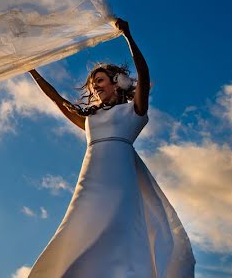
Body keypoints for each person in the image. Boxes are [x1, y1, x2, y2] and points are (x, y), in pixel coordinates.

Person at [25, 18, 196, 277]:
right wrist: (32, 71)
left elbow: (144, 74)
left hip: (121, 178)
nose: (95, 85)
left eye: (101, 80)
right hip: (90, 178)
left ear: (117, 82)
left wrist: (127, 35)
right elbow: (58, 101)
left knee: (118, 227)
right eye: (94, 83)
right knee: (79, 226)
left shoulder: (134, 110)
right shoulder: (90, 120)